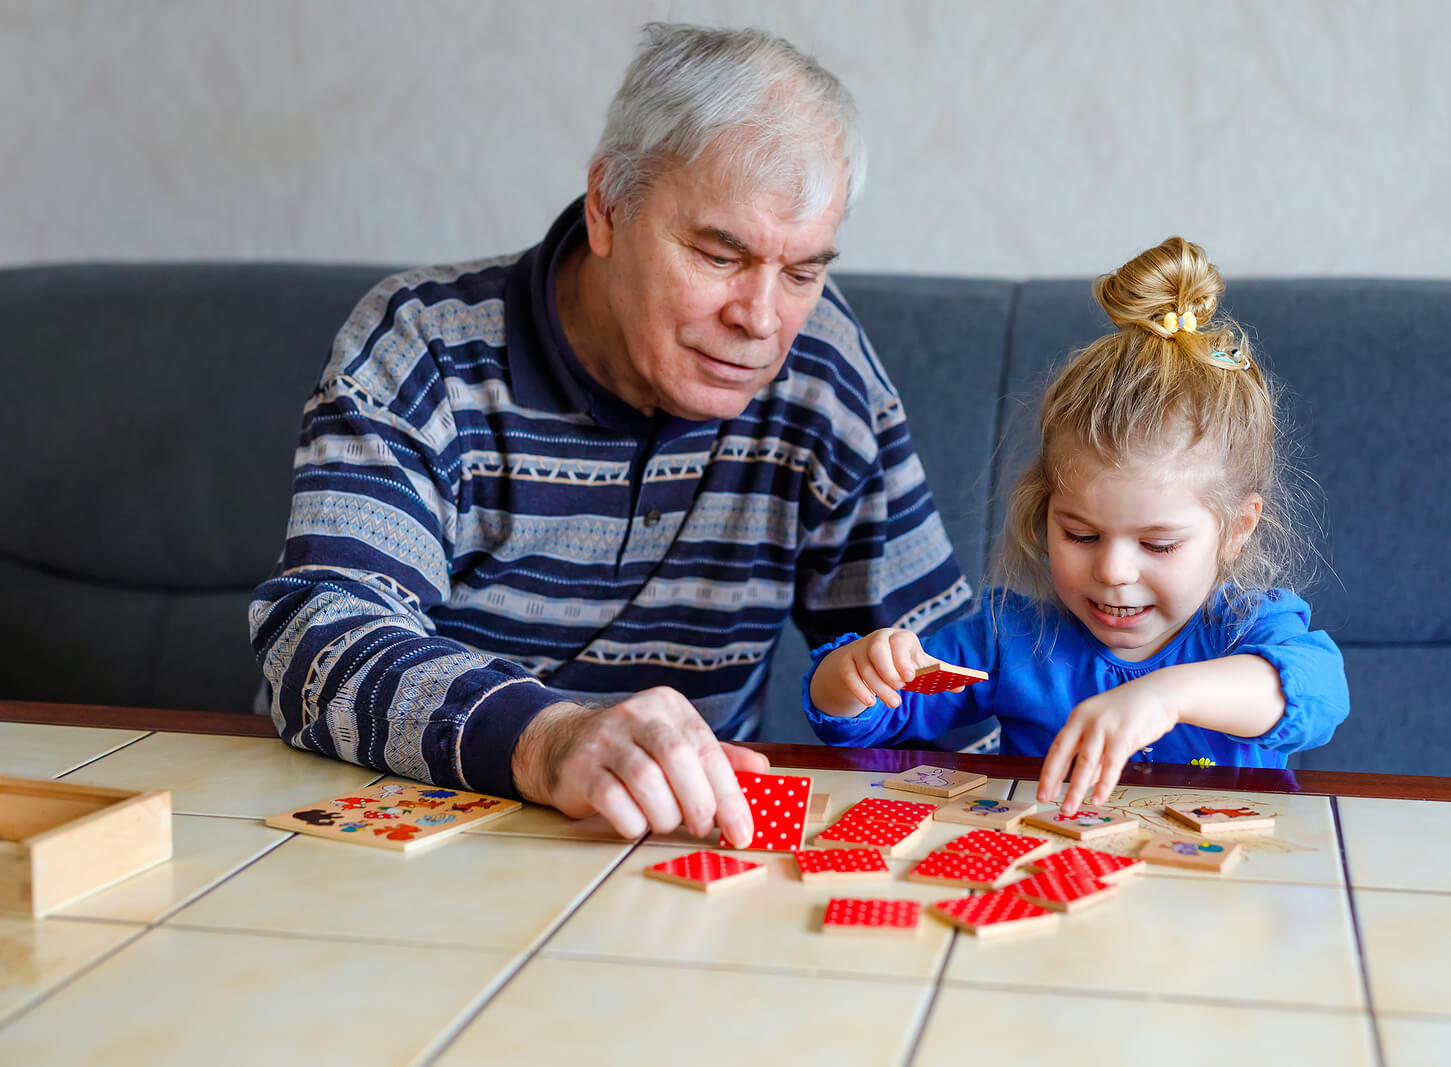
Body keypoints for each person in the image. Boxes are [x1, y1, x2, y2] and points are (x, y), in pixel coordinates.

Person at [248, 24, 971, 847]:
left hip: (672, 855)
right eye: (718, 255)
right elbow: (316, 638)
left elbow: (942, 686)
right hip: (418, 842)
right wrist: (544, 738)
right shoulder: (421, 349)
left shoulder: (822, 371)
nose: (762, 320)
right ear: (607, 208)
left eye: (803, 272)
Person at [804, 237, 1348, 814]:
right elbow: (860, 725)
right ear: (1044, 514)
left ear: (1236, 529)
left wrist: (1167, 696)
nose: (1112, 570)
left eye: (1157, 544)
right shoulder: (1009, 638)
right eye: (1081, 535)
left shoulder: (1246, 630)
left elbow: (1318, 691)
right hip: (1054, 882)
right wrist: (853, 673)